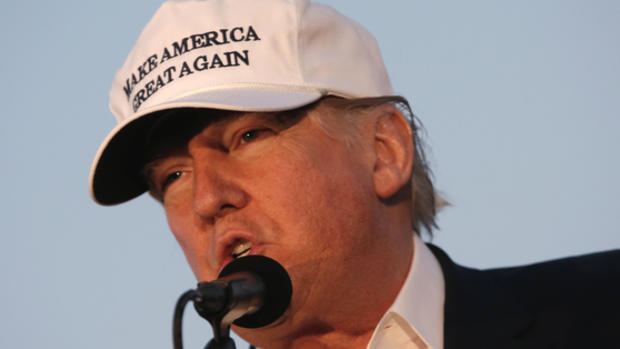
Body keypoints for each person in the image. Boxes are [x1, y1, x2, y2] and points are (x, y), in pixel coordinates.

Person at [89, 0, 620, 348]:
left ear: (383, 152)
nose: (206, 201)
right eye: (173, 178)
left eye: (248, 137)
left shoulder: (599, 310)